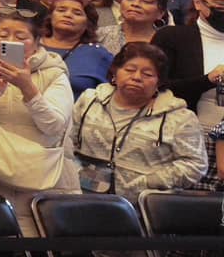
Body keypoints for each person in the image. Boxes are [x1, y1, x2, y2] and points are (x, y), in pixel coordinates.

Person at [0, 9, 76, 233]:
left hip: (41, 179)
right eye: (3, 34)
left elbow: (54, 125)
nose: (10, 41)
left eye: (21, 38)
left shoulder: (54, 73)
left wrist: (27, 87)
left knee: (40, 254)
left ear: (37, 41)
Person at [68, 42, 204, 196]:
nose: (136, 77)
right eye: (129, 70)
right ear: (114, 73)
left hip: (144, 207)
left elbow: (196, 165)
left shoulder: (181, 118)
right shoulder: (88, 100)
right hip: (82, 197)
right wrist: (76, 172)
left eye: (147, 74)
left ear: (159, 82)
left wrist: (148, 182)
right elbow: (66, 142)